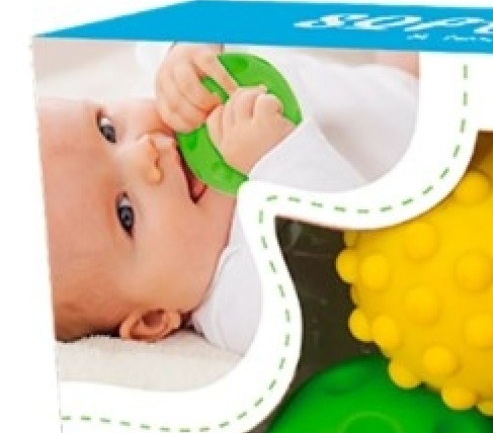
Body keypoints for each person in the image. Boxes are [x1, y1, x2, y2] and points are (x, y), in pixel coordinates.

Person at [38, 43, 419, 354]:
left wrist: (185, 54)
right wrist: (277, 159)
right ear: (153, 319)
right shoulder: (241, 297)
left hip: (403, 83)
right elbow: (345, 275)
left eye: (107, 129)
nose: (145, 152)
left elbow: (175, 22)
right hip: (439, 175)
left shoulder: (173, 106)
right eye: (126, 214)